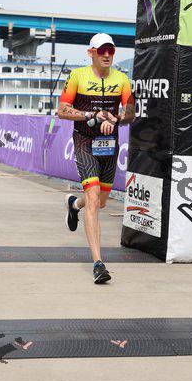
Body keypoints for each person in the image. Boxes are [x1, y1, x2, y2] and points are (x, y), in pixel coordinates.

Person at [58, 33, 135, 284]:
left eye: (110, 50)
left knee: (100, 202)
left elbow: (131, 113)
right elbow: (62, 111)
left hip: (109, 144)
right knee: (93, 199)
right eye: (101, 50)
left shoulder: (122, 79)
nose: (106, 55)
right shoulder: (77, 76)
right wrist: (92, 115)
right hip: (85, 141)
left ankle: (74, 205)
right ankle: (98, 264)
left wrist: (115, 118)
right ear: (91, 52)